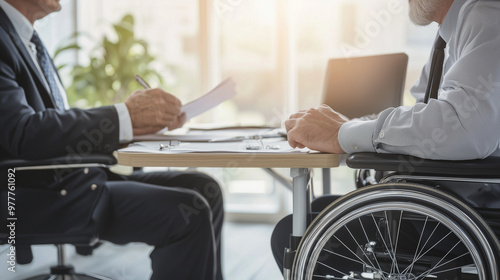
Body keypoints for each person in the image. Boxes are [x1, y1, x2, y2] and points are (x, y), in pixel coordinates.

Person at [0, 0, 223, 279]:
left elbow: (52, 127)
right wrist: (122, 116)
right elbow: (23, 132)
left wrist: (140, 124)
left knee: (204, 188)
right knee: (188, 213)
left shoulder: (28, 39)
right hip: (39, 194)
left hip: (77, 178)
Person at [272, 0, 500, 273]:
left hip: (465, 218)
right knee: (318, 209)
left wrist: (344, 134)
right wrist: (351, 128)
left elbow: (466, 126)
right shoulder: (450, 32)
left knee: (293, 232)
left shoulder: (486, 14)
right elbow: (425, 112)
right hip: (448, 208)